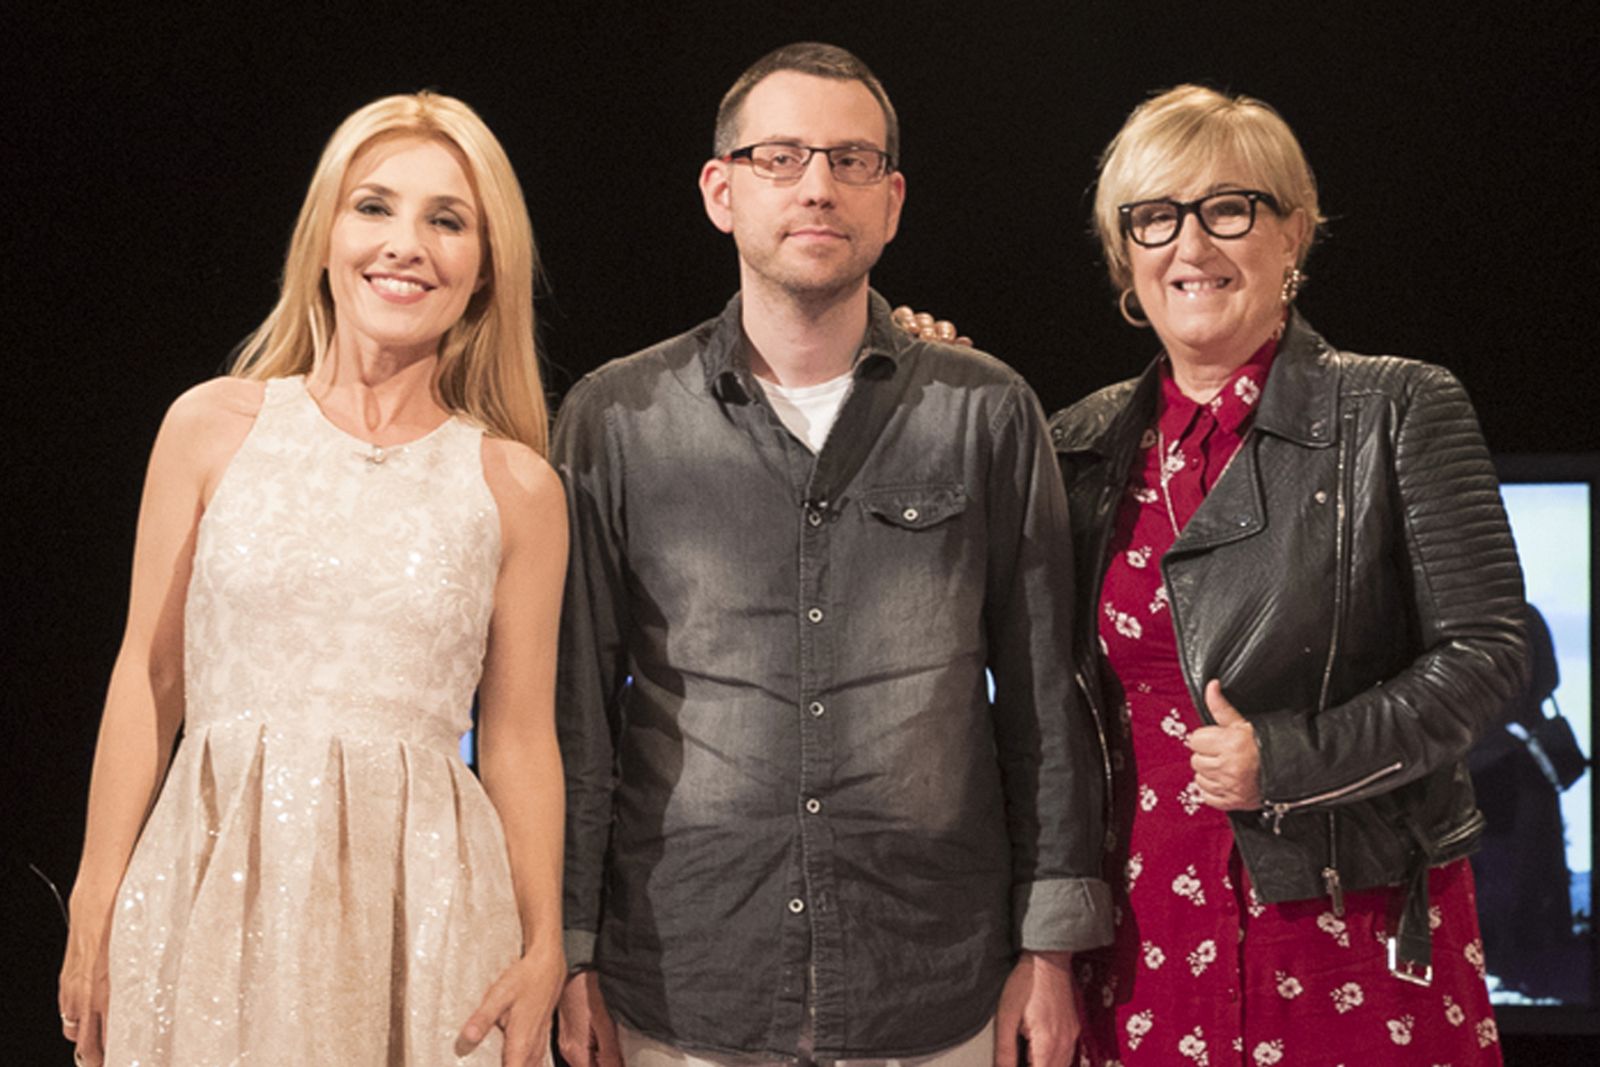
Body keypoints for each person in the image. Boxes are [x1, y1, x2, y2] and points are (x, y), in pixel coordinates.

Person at [552, 42, 1111, 1067]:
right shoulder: (615, 419)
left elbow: (1041, 697)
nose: (817, 186)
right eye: (781, 158)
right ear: (721, 190)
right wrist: (567, 948)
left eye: (850, 160)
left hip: (933, 983)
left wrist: (1051, 945)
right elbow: (575, 717)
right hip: (680, 981)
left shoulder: (984, 410)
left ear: (891, 200)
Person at [56, 92, 568, 1067]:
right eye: (374, 207)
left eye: (446, 219)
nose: (404, 244)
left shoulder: (516, 486)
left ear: (486, 263)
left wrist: (543, 942)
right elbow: (148, 679)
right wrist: (96, 892)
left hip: (430, 916)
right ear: (326, 231)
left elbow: (517, 738)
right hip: (207, 889)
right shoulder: (212, 426)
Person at [1049, 84, 1527, 1064]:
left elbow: (1487, 654)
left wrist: (1292, 758)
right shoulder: (1077, 444)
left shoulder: (1396, 407)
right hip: (1135, 936)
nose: (1190, 246)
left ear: (1293, 235)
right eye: (1154, 217)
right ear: (1121, 252)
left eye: (1229, 208)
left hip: (1343, 923)